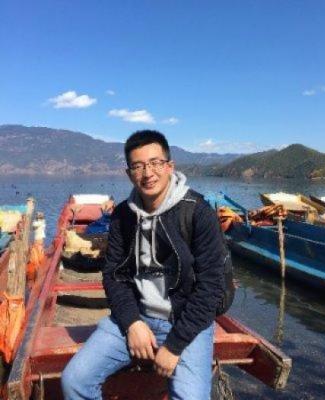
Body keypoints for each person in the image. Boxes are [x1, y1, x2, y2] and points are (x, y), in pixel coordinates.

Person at [62, 130, 225, 400]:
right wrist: (132, 323)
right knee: (74, 380)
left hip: (186, 321)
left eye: (155, 163)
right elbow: (114, 276)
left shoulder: (197, 212)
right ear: (129, 174)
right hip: (137, 317)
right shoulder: (122, 216)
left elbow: (211, 287)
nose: (148, 173)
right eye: (138, 166)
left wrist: (174, 346)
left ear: (169, 166)